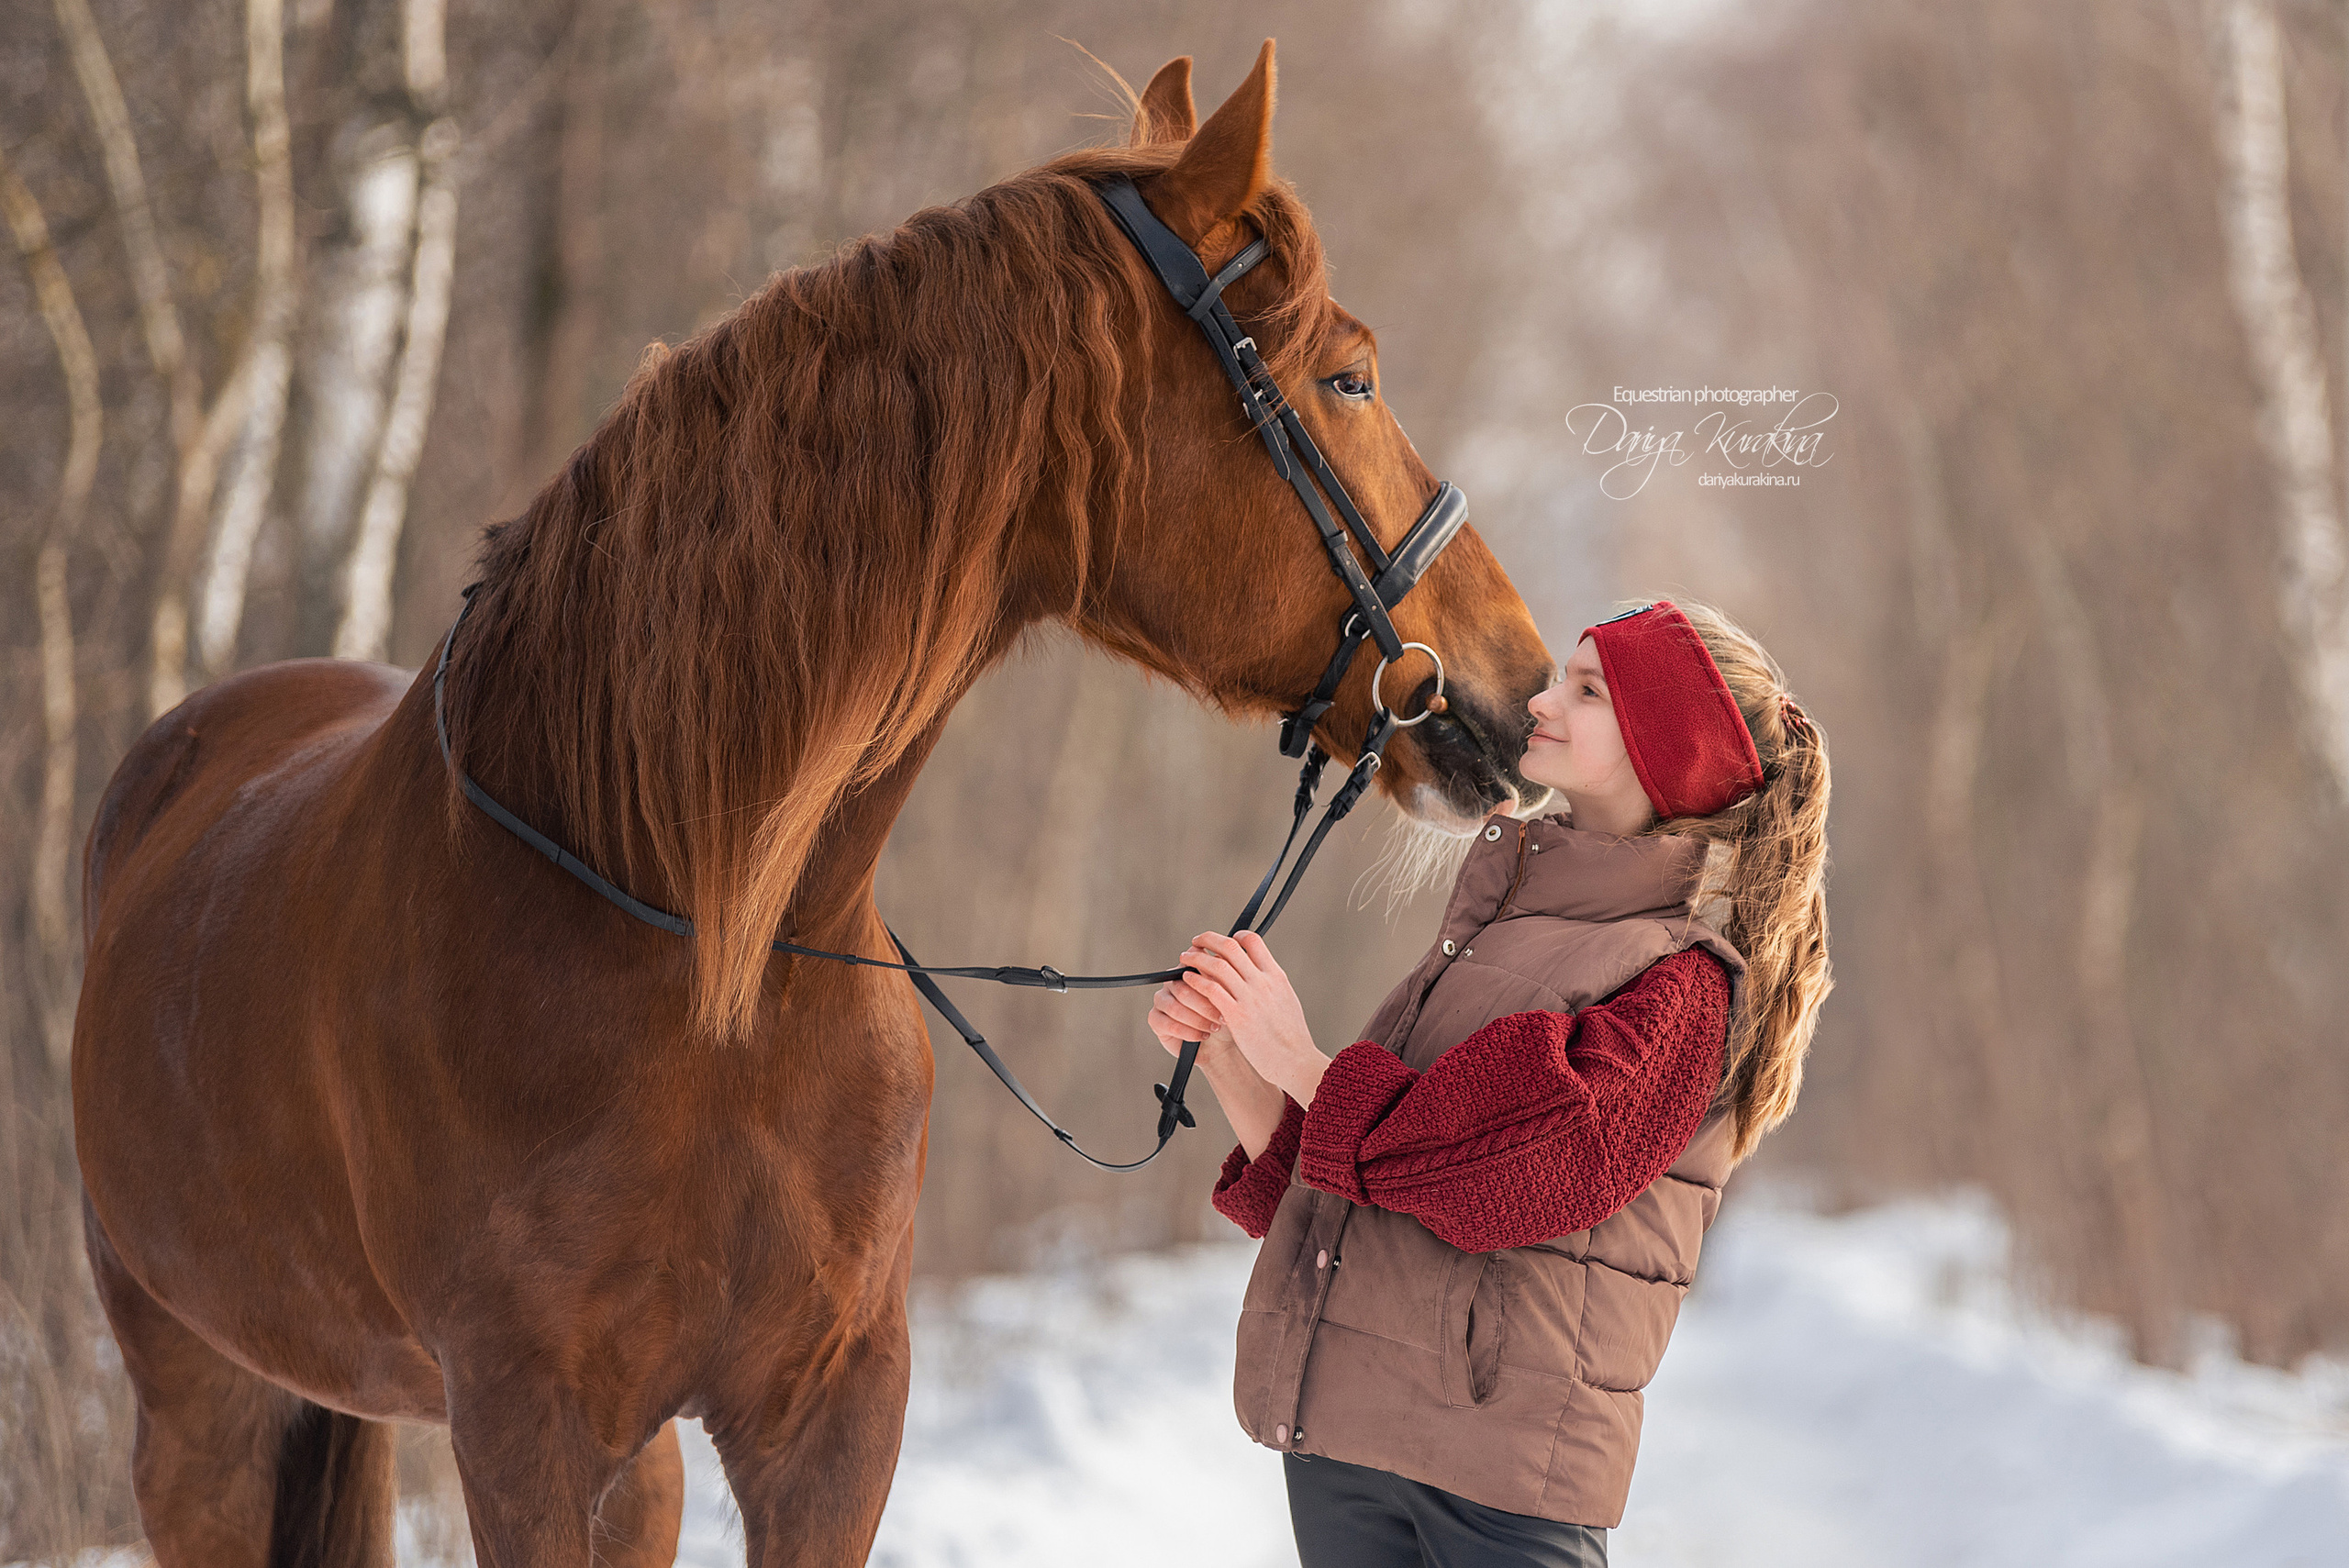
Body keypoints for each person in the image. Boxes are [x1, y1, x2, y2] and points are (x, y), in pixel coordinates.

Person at [1148, 597, 1831, 1567]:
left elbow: (1522, 1167)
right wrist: (1233, 1058)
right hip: (1345, 1434)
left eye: (1586, 689)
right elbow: (1374, 1179)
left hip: (1498, 1470)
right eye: (1562, 675)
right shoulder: (1498, 921)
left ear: (1664, 746)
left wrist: (1301, 1057)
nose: (1542, 699)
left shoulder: (1684, 979)